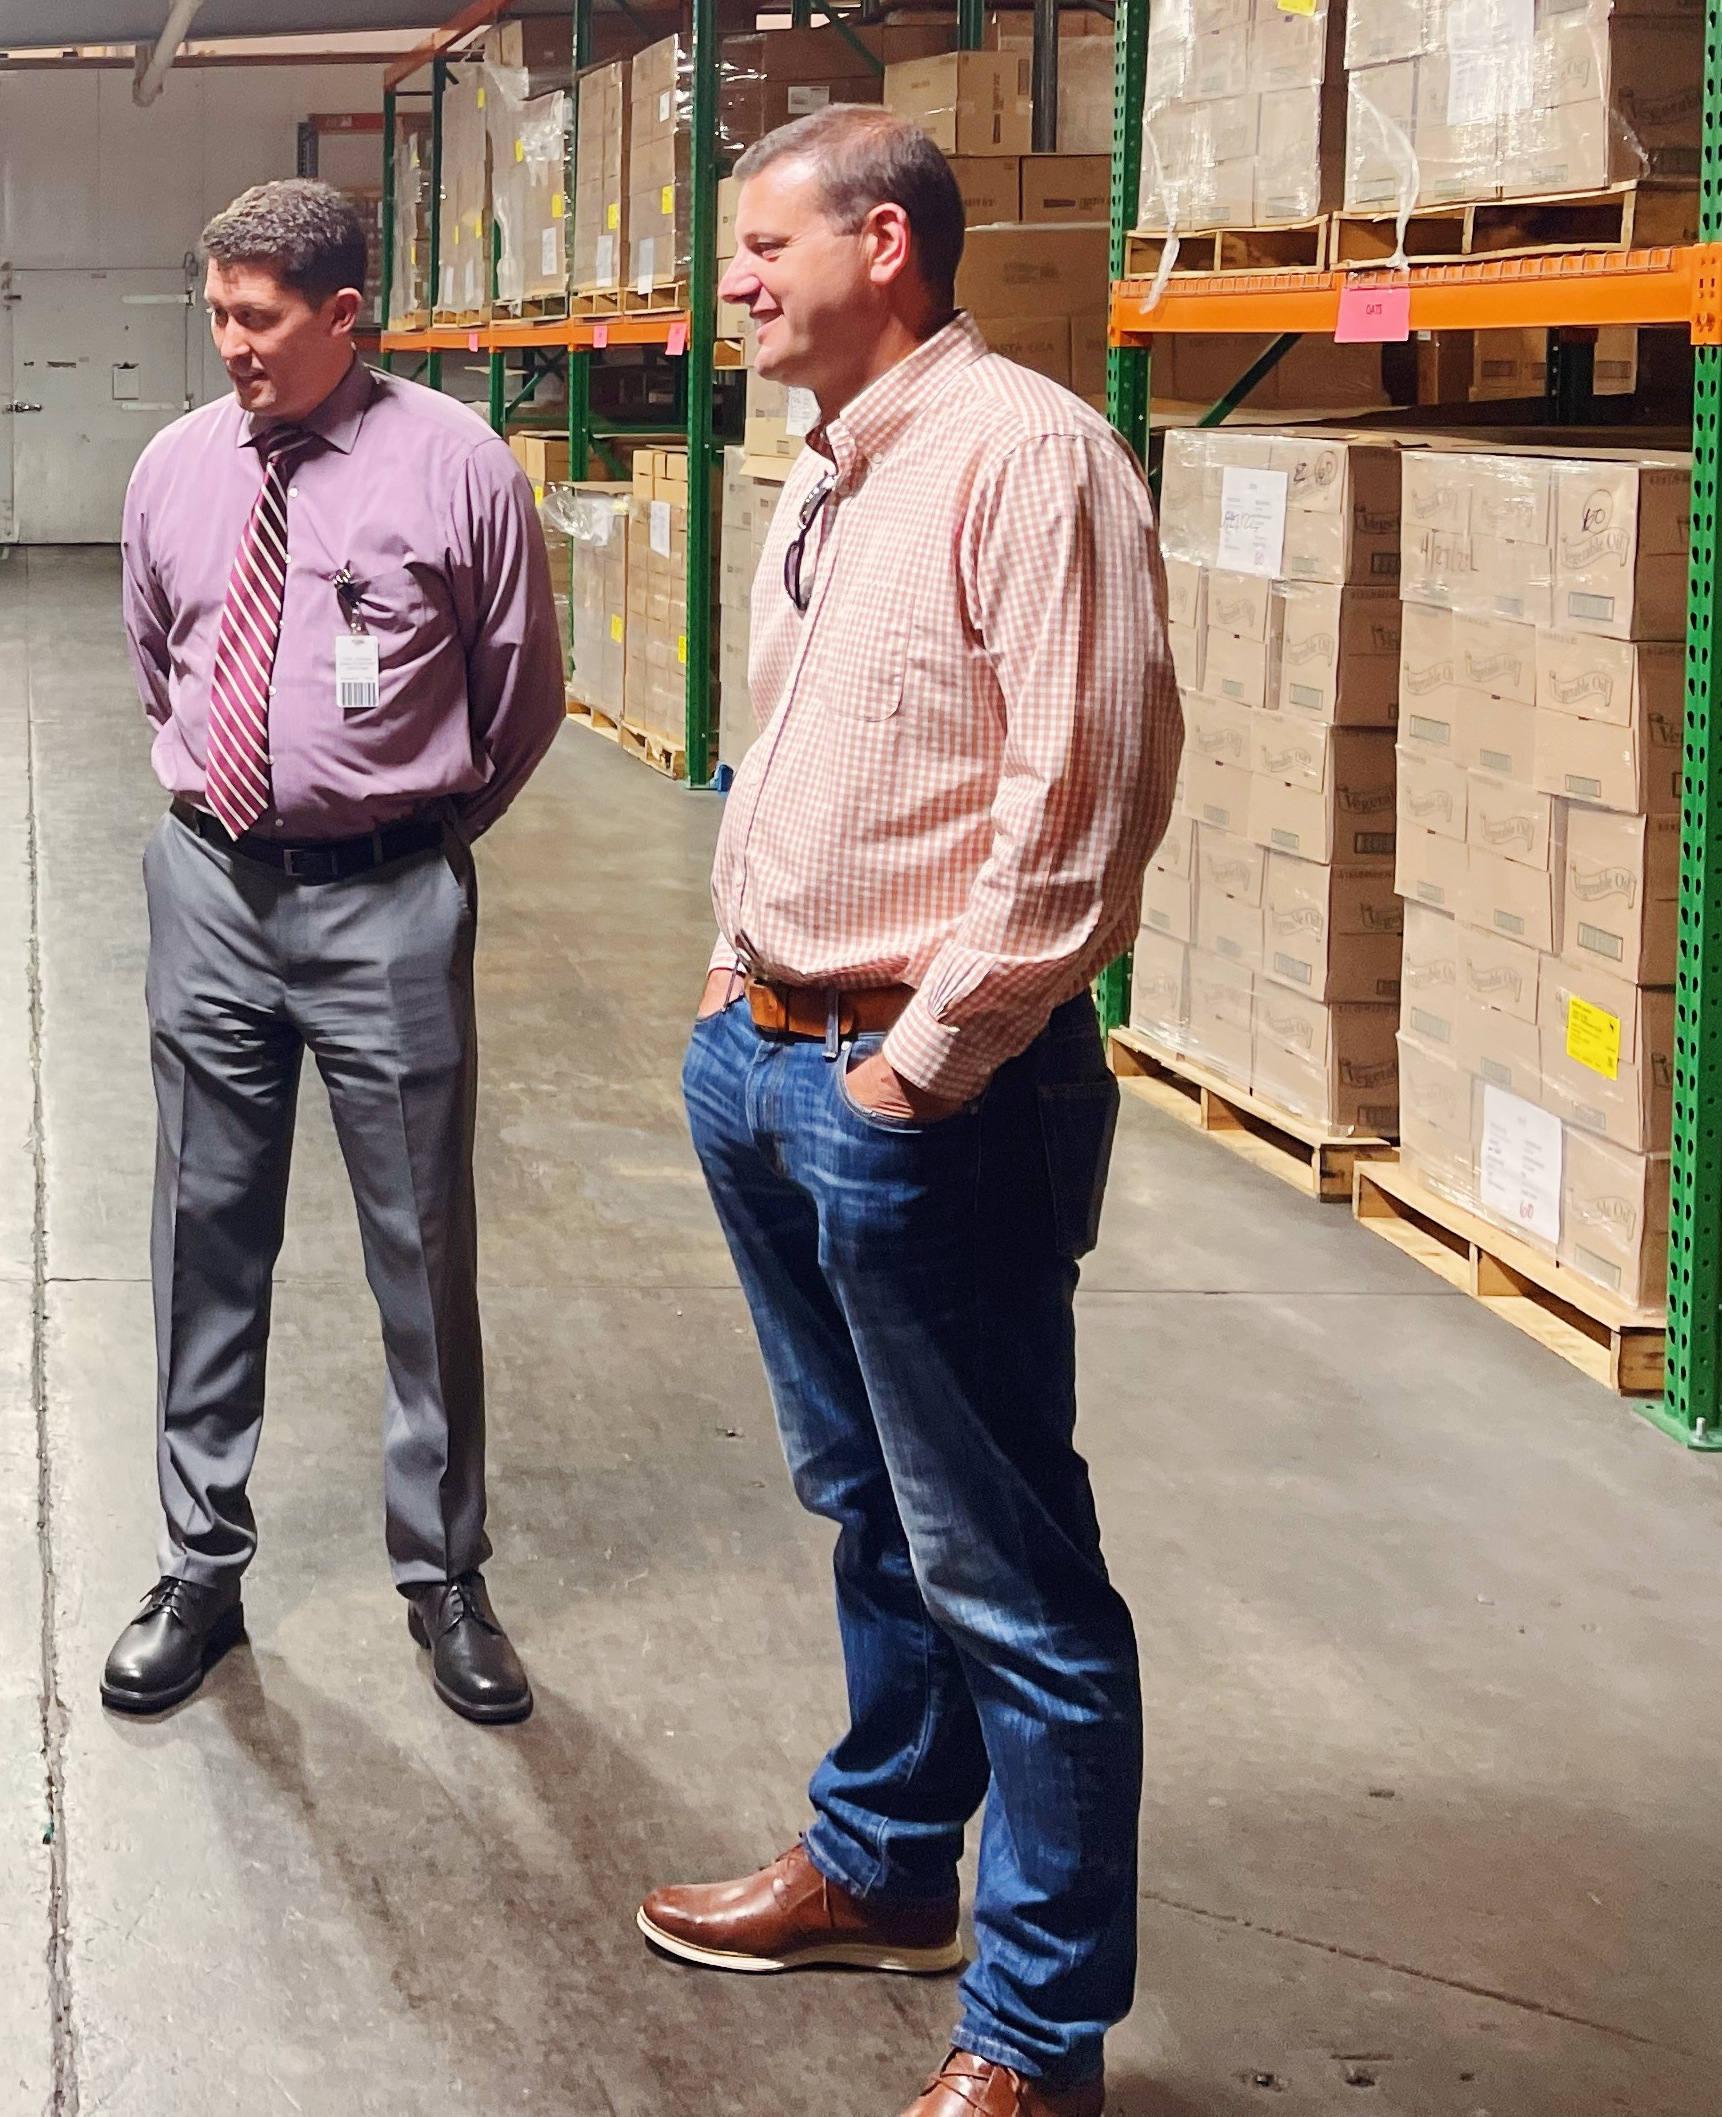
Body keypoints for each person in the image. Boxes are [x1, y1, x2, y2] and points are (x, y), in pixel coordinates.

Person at [639, 108, 1179, 2117]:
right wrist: (734, 992)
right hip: (774, 1056)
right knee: (871, 1511)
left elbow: (1086, 802)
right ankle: (881, 1868)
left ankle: (1037, 2040)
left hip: (923, 1095)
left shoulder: (1030, 460)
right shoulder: (828, 474)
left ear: (886, 243)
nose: (736, 284)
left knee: (1011, 1571)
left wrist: (913, 1065)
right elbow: (798, 760)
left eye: (765, 247)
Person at [109, 175, 562, 1726]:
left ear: (346, 316)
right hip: (212, 890)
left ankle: (444, 1577)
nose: (229, 343)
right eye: (217, 312)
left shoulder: (458, 469)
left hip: (388, 897)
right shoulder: (173, 469)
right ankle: (198, 1566)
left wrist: (402, 845)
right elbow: (157, 663)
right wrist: (243, 816)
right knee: (203, 1228)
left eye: (260, 318)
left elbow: (519, 704)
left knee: (419, 1245)